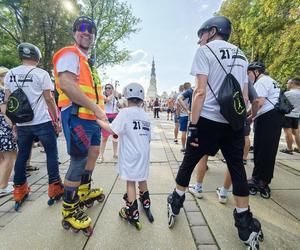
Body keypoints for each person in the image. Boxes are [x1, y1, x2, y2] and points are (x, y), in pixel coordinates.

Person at [167, 16, 263, 249]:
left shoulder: (205, 51)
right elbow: (242, 91)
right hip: (233, 122)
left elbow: (200, 92)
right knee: (237, 168)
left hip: (208, 119)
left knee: (189, 162)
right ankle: (243, 221)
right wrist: (244, 117)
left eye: (201, 34)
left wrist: (193, 124)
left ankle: (176, 201)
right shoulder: (241, 54)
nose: (199, 40)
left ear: (212, 31)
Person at [53, 16, 107, 236]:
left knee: (93, 153)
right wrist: (95, 109)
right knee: (78, 160)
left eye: (90, 29)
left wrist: (98, 115)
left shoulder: (87, 62)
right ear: (74, 33)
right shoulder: (70, 54)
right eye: (81, 29)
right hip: (77, 117)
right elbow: (66, 84)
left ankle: (83, 192)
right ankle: (69, 208)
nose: (86, 32)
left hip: (90, 119)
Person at [4, 43, 63, 210]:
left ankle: (19, 190)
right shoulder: (41, 74)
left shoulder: (10, 74)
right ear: (37, 57)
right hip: (42, 121)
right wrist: (56, 120)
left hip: (22, 123)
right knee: (51, 154)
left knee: (22, 156)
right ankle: (54, 188)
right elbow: (49, 99)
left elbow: (9, 102)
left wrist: (14, 123)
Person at [97, 83, 153, 230]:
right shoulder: (146, 116)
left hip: (131, 153)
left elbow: (112, 129)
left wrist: (98, 121)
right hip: (144, 152)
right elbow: (149, 137)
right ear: (141, 100)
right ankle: (146, 203)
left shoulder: (125, 113)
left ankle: (132, 212)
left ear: (127, 98)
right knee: (142, 177)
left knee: (130, 181)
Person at [217, 79, 260, 204]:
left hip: (216, 120)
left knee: (202, 155)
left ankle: (198, 186)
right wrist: (251, 116)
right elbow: (256, 101)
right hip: (238, 121)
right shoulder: (245, 78)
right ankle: (226, 195)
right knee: (236, 163)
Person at [247, 62, 283, 199]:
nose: (248, 77)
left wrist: (250, 117)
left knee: (261, 149)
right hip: (274, 117)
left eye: (249, 73)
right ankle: (264, 179)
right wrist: (250, 114)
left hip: (267, 118)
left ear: (256, 72)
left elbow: (259, 103)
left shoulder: (261, 82)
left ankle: (257, 179)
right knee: (269, 150)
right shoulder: (271, 80)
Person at [0, 67, 17, 197]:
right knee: (10, 156)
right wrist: (12, 126)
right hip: (4, 127)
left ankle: (2, 182)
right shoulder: (1, 92)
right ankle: (3, 186)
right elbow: (5, 111)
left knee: (2, 157)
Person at [99, 83, 119, 162]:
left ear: (112, 89)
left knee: (115, 136)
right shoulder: (103, 96)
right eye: (106, 88)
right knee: (104, 137)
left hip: (115, 116)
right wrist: (113, 94)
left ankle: (115, 153)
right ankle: (101, 155)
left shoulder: (115, 97)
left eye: (109, 88)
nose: (108, 89)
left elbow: (119, 105)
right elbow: (107, 100)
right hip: (106, 116)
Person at [280, 77, 300, 154]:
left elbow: (281, 104)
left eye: (288, 83)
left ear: (292, 84)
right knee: (296, 132)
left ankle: (289, 149)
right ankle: (299, 148)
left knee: (287, 131)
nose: (287, 84)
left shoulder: (287, 94)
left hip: (287, 115)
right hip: (297, 115)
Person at [177, 82, 191, 153]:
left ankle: (183, 147)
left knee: (183, 132)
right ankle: (189, 148)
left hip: (182, 115)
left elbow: (178, 107)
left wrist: (178, 115)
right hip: (190, 115)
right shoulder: (192, 93)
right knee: (190, 133)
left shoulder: (180, 95)